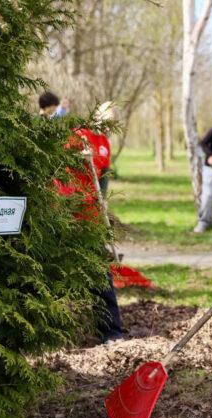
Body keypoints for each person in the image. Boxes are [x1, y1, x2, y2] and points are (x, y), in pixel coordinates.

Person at [53, 106, 124, 344]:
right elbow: (56, 162)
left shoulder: (104, 142)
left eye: (111, 125)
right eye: (105, 123)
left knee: (100, 273)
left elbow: (102, 176)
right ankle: (52, 331)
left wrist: (103, 200)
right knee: (57, 271)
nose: (106, 128)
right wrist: (77, 156)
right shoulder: (76, 134)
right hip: (67, 211)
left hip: (91, 216)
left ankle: (111, 331)